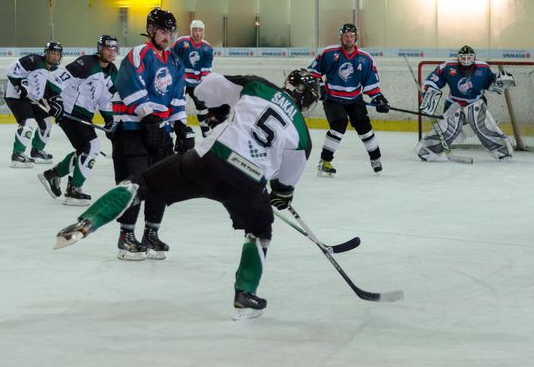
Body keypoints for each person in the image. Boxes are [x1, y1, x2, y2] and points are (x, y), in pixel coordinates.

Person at [53, 69, 320, 320]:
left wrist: (220, 109)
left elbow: (204, 87)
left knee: (140, 184)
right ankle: (245, 294)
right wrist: (280, 195)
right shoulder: (302, 135)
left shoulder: (258, 86)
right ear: (308, 102)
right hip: (248, 181)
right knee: (260, 230)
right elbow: (285, 184)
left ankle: (88, 221)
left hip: (209, 159)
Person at [107, 7, 192, 261]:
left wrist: (181, 127)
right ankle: (126, 237)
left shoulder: (175, 62)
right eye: (163, 31)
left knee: (161, 184)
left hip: (160, 132)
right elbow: (129, 85)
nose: (167, 37)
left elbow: (177, 99)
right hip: (131, 131)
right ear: (151, 30)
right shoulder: (139, 53)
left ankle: (151, 234)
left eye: (171, 32)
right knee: (133, 184)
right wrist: (149, 117)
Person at [38, 35, 119, 206]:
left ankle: (53, 175)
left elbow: (105, 99)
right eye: (108, 48)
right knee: (92, 146)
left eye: (114, 49)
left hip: (85, 115)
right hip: (69, 112)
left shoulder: (113, 72)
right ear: (100, 49)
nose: (111, 52)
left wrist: (109, 120)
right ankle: (74, 189)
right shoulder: (86, 63)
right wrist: (53, 99)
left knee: (84, 149)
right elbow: (57, 78)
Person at [308, 23, 390, 177]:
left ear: (356, 38)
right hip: (333, 98)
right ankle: (324, 162)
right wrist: (321, 88)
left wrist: (379, 99)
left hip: (354, 99)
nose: (349, 39)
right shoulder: (329, 53)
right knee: (339, 124)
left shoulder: (365, 59)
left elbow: (370, 83)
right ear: (341, 37)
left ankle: (375, 158)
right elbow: (313, 72)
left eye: (351, 36)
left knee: (364, 126)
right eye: (346, 36)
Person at [415, 45, 516, 162]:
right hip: (454, 103)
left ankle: (502, 151)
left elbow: (490, 83)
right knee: (447, 129)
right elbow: (434, 78)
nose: (466, 61)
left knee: (484, 127)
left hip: (475, 103)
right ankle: (427, 151)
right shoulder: (448, 66)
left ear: (474, 57)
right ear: (458, 57)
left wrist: (498, 82)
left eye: (469, 57)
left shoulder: (483, 67)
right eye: (463, 58)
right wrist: (429, 89)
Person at [4, 42, 63, 167]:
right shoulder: (34, 60)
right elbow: (11, 69)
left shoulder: (55, 71)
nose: (55, 56)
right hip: (16, 96)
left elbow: (51, 90)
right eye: (52, 53)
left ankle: (37, 151)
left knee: (46, 122)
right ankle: (17, 155)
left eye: (58, 54)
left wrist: (57, 104)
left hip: (33, 99)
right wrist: (20, 83)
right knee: (28, 122)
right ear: (46, 53)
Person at [172, 19, 214, 137]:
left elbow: (207, 67)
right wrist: (175, 77)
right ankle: (171, 128)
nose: (197, 33)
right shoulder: (181, 42)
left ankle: (205, 130)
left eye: (200, 30)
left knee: (202, 107)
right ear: (191, 31)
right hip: (181, 81)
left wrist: (203, 82)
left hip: (197, 83)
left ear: (203, 31)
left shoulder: (207, 48)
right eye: (195, 30)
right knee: (176, 105)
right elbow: (172, 58)